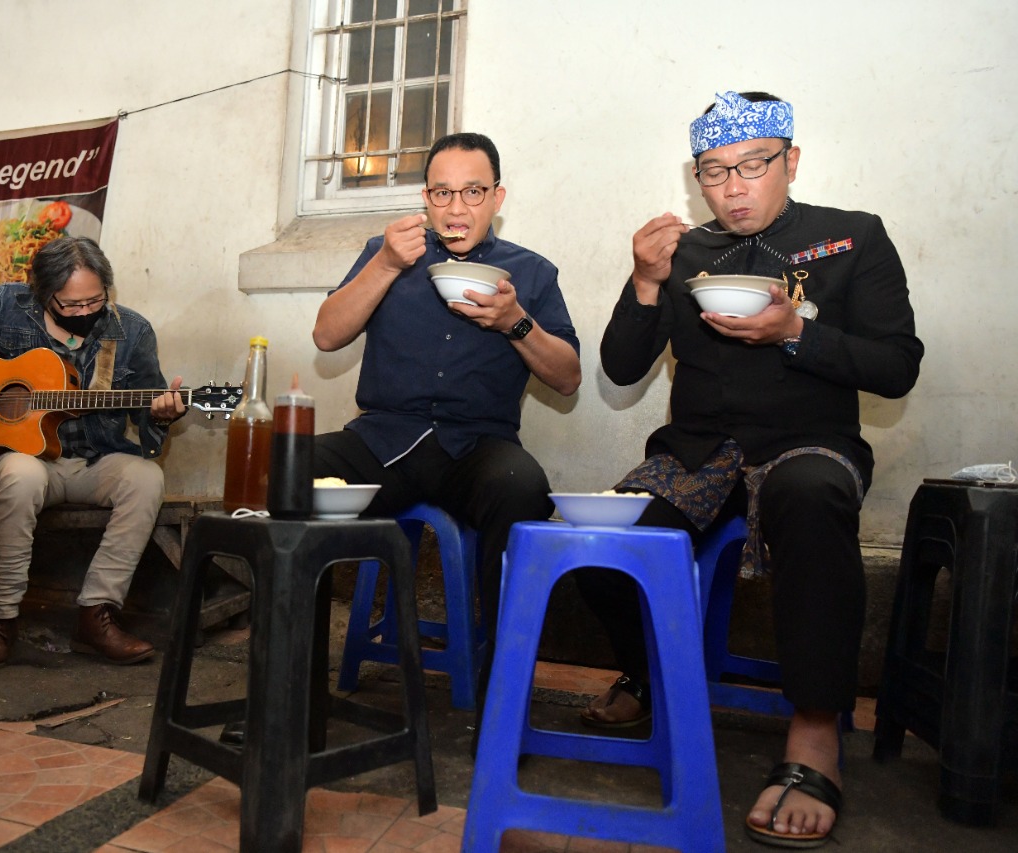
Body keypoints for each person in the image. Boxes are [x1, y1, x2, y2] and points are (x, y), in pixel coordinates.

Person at [578, 92, 922, 848]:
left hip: (808, 444)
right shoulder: (685, 252)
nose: (733, 188)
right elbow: (618, 366)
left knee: (809, 496)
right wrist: (643, 281)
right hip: (698, 451)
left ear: (790, 160)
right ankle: (650, 675)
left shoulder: (850, 239)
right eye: (713, 172)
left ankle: (814, 730)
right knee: (601, 536)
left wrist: (796, 330)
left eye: (752, 166)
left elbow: (898, 366)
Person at [312, 131, 583, 714]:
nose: (456, 209)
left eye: (472, 192)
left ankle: (501, 702)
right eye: (442, 193)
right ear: (426, 198)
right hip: (384, 439)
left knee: (522, 488)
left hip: (476, 448)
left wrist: (515, 321)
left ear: (497, 197)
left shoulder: (529, 273)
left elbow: (567, 377)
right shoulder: (387, 253)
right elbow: (327, 336)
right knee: (299, 471)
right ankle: (294, 691)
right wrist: (385, 263)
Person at [0, 235, 188, 672]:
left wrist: (163, 417)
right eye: (71, 305)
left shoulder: (132, 331)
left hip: (96, 459)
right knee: (20, 474)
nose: (86, 312)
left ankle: (97, 614)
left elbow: (148, 419)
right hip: (30, 460)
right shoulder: (5, 306)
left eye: (95, 300)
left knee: (147, 478)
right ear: (43, 293)